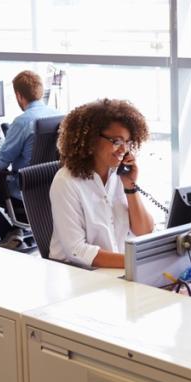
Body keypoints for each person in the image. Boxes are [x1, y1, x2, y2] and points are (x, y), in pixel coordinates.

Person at [49, 99, 154, 268]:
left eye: (127, 142)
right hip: (77, 274)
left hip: (114, 270)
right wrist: (134, 262)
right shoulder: (66, 182)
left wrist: (130, 187)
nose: (123, 150)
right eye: (117, 142)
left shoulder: (119, 175)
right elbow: (77, 250)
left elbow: (144, 231)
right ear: (91, 140)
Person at [0, 70, 59, 249]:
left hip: (23, 192)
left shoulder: (22, 122)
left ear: (19, 95)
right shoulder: (58, 115)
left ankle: (9, 234)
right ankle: (18, 232)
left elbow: (1, 163)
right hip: (50, 191)